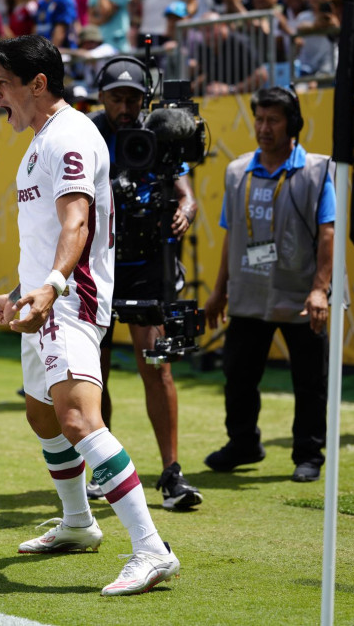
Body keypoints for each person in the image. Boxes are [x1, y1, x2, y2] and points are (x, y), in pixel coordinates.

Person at [0, 35, 179, 596]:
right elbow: (48, 234)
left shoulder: (69, 134)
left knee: (78, 420)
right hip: (46, 298)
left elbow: (77, 224)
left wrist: (50, 288)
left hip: (70, 299)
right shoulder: (41, 140)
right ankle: (78, 523)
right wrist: (19, 292)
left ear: (38, 83)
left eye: (2, 84)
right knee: (43, 416)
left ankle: (152, 550)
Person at [86, 58, 203, 509]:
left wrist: (185, 211)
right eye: (116, 98)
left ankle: (172, 473)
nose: (125, 107)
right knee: (95, 373)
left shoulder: (160, 132)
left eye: (132, 99)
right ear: (102, 96)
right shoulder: (85, 133)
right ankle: (104, 470)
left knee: (157, 366)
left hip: (147, 267)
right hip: (96, 266)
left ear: (144, 99)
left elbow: (186, 193)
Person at [204, 86, 335, 482]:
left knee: (310, 382)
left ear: (292, 123)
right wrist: (219, 290)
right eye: (259, 119)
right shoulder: (237, 171)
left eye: (273, 120)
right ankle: (243, 443)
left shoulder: (315, 171)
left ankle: (308, 454)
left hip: (300, 296)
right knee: (238, 376)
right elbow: (231, 233)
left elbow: (328, 232)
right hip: (250, 292)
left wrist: (320, 289)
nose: (263, 127)